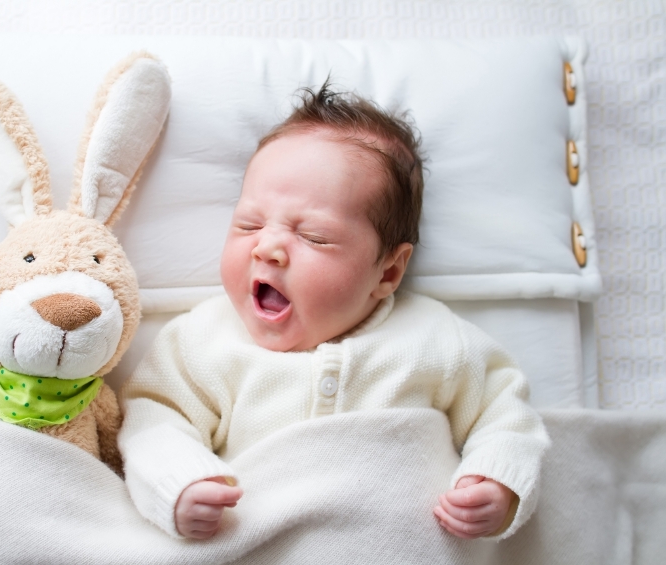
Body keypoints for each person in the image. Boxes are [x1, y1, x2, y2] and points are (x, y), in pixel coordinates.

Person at [118, 82, 549, 541]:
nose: (267, 247)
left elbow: (505, 416)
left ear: (387, 272)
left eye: (315, 237)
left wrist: (497, 481)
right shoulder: (202, 341)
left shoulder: (435, 339)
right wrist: (178, 484)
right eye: (249, 224)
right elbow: (154, 421)